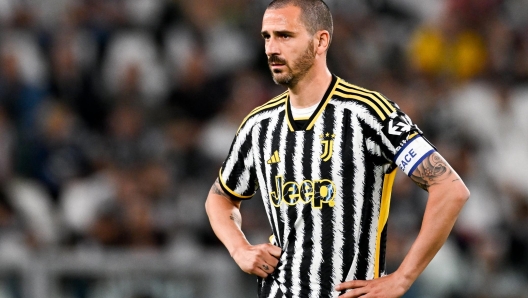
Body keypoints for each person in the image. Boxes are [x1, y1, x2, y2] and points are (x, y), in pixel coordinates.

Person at [205, 0, 470, 297]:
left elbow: (449, 188)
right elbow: (220, 198)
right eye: (267, 36)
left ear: (321, 41)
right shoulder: (258, 125)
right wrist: (239, 249)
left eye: (285, 35)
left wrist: (402, 278)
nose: (271, 48)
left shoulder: (368, 113)